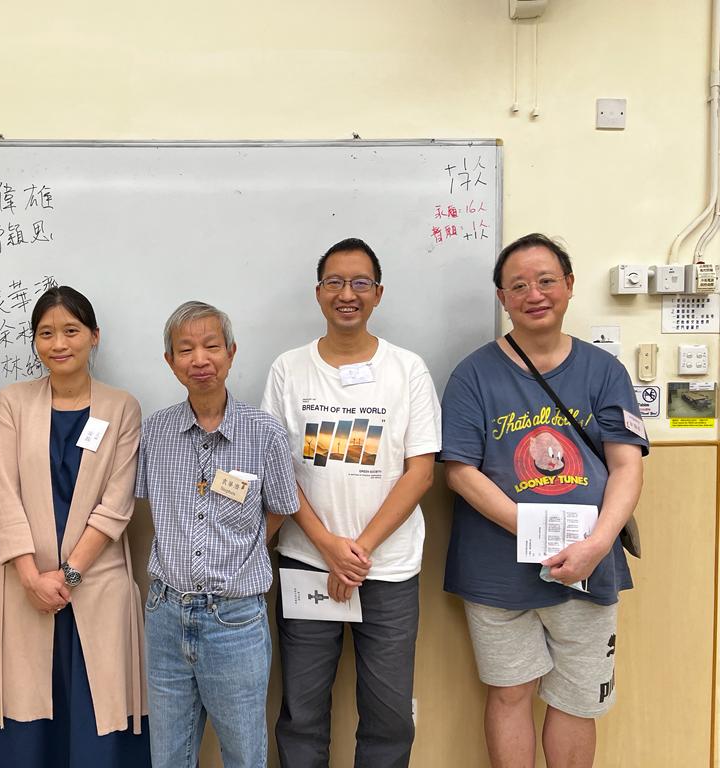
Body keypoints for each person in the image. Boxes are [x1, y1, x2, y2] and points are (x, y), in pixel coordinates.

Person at [440, 233, 648, 768]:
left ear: (570, 286)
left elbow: (627, 465)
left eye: (546, 280)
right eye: (518, 286)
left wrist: (596, 544)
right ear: (502, 298)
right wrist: (534, 531)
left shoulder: (605, 371)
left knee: (578, 700)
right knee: (509, 693)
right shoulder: (472, 374)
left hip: (589, 566)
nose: (534, 294)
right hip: (496, 569)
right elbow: (460, 472)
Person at [262, 237, 441, 768]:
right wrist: (328, 547)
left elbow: (421, 472)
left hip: (387, 567)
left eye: (360, 283)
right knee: (302, 712)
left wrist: (357, 551)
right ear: (318, 292)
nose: (347, 294)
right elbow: (278, 470)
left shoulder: (407, 369)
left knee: (389, 715)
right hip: (306, 562)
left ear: (378, 293)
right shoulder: (288, 369)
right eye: (335, 282)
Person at [0, 286, 150, 767]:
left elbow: (116, 506)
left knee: (96, 715)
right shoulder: (12, 402)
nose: (59, 343)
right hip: (22, 585)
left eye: (71, 330)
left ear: (94, 336)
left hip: (96, 584)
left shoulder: (122, 407)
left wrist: (66, 576)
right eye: (46, 333)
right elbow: (3, 495)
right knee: (24, 719)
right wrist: (31, 578)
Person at [137, 301, 299, 768]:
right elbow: (150, 504)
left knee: (244, 754)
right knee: (168, 754)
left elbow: (279, 509)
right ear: (170, 361)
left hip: (234, 618)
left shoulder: (264, 432)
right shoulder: (155, 432)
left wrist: (239, 551)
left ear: (231, 352)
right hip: (165, 614)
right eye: (185, 349)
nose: (200, 359)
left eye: (211, 346)